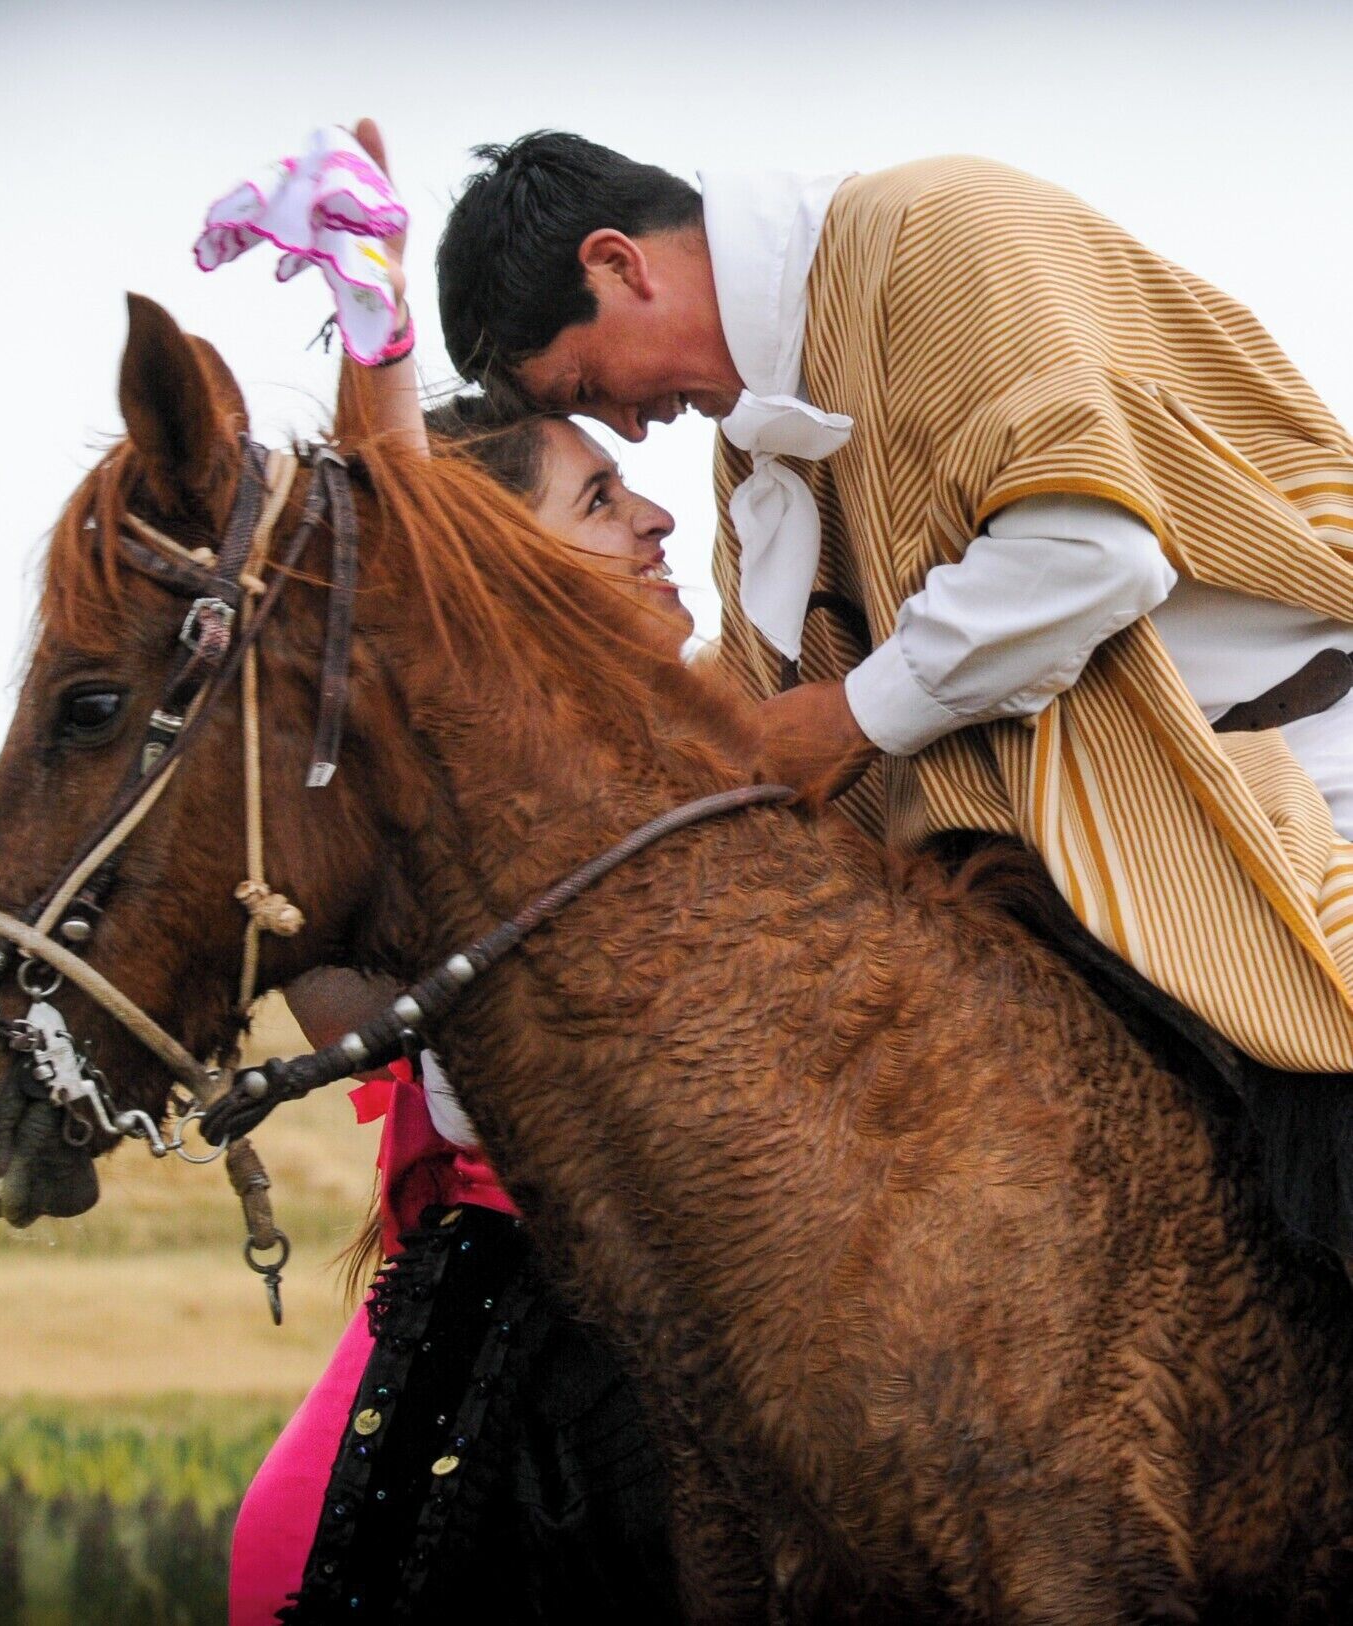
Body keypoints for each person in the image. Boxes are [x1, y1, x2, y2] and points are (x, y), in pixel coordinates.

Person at [435, 132, 1353, 1256]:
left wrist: (848, 720)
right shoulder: (755, 445)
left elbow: (1089, 550)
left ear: (621, 264)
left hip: (1298, 786)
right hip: (1071, 871)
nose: (629, 428)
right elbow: (763, 717)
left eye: (589, 387)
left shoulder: (939, 228)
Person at [229, 127, 689, 1623]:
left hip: (721, 1280)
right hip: (511, 1299)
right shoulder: (489, 770)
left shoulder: (750, 729)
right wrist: (373, 316)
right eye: (599, 503)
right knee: (286, 1550)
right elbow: (424, 562)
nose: (657, 517)